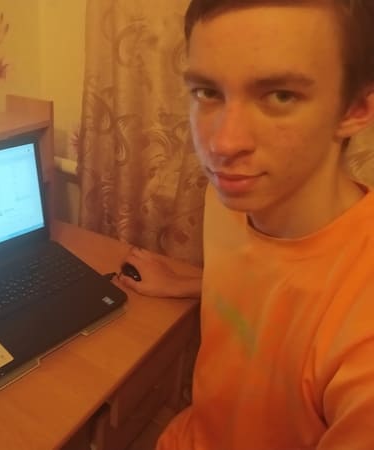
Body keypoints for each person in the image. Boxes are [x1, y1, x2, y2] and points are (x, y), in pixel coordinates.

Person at [118, 1, 374, 449]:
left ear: (355, 109)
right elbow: (276, 288)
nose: (222, 144)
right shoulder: (232, 196)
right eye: (207, 92)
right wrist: (190, 284)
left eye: (280, 95)